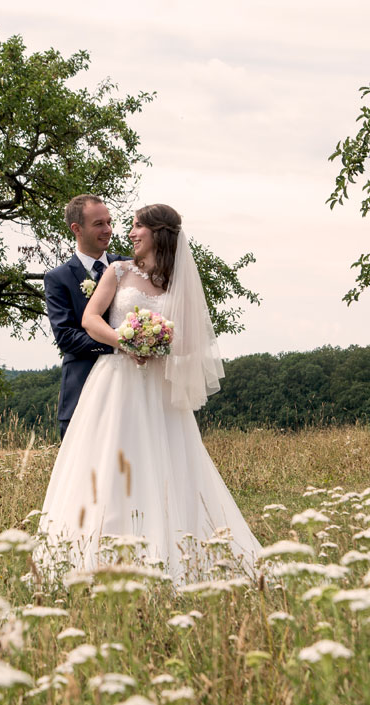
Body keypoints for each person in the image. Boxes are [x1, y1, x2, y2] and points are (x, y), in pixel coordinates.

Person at [37, 203, 262, 580]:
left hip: (158, 386)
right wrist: (125, 342)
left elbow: (190, 339)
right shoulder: (117, 270)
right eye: (105, 223)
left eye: (135, 225)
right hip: (116, 382)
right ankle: (96, 551)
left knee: (164, 461)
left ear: (158, 233)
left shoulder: (175, 280)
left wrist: (159, 344)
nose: (125, 232)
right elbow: (89, 320)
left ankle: (174, 549)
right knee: (108, 462)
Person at [43, 195, 131, 439]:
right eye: (99, 224)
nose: (108, 230)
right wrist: (121, 345)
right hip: (83, 386)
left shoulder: (129, 267)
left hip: (132, 387)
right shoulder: (58, 278)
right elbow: (67, 337)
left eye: (109, 222)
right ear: (77, 229)